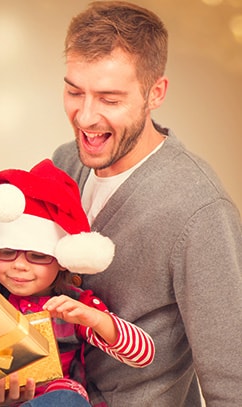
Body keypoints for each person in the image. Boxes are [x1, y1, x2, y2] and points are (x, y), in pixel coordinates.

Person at [51, 2, 242, 406]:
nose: (85, 117)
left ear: (155, 93)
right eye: (74, 91)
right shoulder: (65, 162)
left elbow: (232, 382)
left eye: (109, 98)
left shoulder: (200, 210)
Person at [0, 159, 154, 407]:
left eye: (37, 256)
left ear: (62, 260)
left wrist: (96, 319)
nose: (19, 265)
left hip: (53, 397)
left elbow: (143, 354)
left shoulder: (74, 306)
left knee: (68, 399)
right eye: (5, 251)